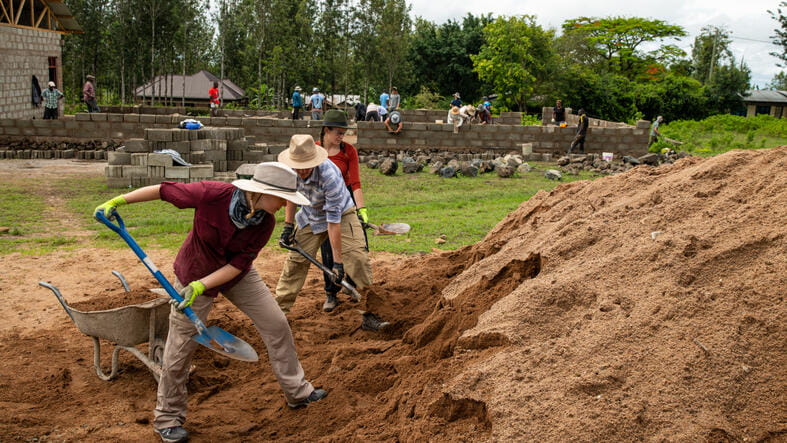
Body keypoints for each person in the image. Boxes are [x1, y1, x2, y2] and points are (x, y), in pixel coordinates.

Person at [93, 162, 327, 443]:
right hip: (194, 272)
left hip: (234, 276)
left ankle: (298, 392)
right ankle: (168, 419)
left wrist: (204, 285)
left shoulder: (265, 222)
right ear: (262, 193)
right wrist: (118, 201)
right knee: (180, 347)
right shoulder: (213, 194)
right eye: (283, 198)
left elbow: (241, 264)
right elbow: (164, 191)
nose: (286, 204)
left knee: (276, 323)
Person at [275, 135, 386, 331]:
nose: (301, 171)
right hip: (310, 214)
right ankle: (276, 315)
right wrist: (288, 226)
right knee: (295, 263)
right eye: (298, 166)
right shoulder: (288, 171)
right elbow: (290, 196)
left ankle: (371, 314)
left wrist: (338, 263)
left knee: (357, 259)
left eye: (306, 166)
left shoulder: (329, 175)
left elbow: (333, 222)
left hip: (341, 214)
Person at [316, 110, 369, 310]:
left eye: (343, 132)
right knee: (329, 247)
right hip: (323, 201)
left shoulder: (348, 151)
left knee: (358, 242)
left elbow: (355, 183)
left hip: (345, 198)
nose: (341, 136)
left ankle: (353, 283)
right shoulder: (314, 150)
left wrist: (361, 210)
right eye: (338, 132)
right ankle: (331, 292)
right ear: (326, 130)